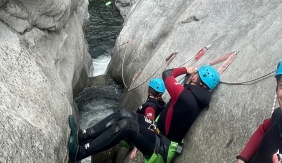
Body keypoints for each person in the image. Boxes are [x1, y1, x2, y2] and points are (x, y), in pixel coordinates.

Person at [67, 65, 220, 162]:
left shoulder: (185, 96)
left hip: (161, 147)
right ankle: (83, 135)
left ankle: (81, 152)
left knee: (126, 126)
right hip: (157, 132)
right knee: (123, 113)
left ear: (196, 79)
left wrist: (185, 70)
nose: (192, 75)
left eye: (196, 75)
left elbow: (167, 74)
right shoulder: (197, 97)